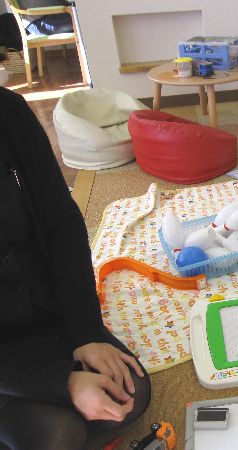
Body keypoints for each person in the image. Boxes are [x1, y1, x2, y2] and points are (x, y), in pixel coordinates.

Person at [0, 86, 151, 449]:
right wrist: (61, 382)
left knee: (129, 392)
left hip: (40, 313)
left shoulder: (9, 111)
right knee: (58, 434)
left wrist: (85, 334)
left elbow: (61, 224)